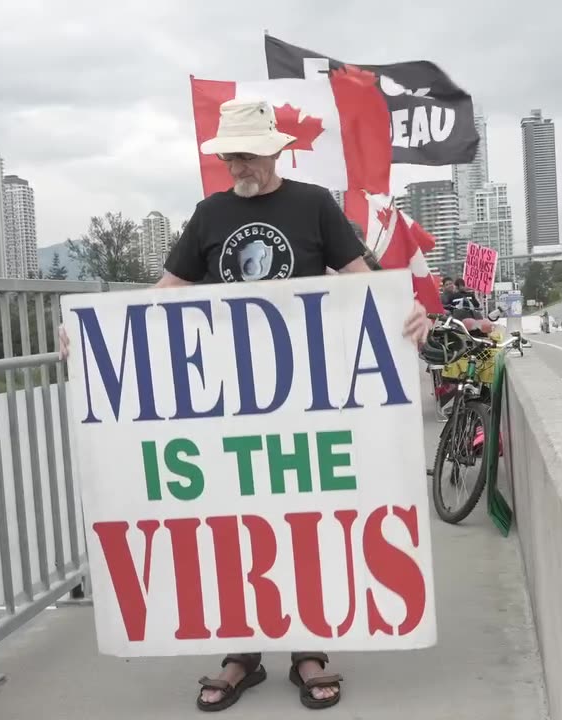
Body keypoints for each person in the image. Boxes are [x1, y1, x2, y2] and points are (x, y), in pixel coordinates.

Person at [57, 97, 432, 713]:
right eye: (228, 154)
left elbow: (359, 278)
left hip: (308, 394)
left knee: (302, 512)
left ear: (274, 151)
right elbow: (164, 296)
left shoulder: (312, 203)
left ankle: (308, 648)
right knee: (235, 514)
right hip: (227, 399)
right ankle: (242, 652)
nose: (237, 165)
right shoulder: (210, 214)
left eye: (246, 154)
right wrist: (96, 335)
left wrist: (404, 312)